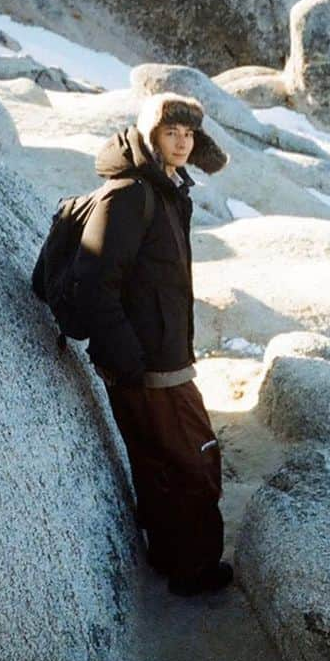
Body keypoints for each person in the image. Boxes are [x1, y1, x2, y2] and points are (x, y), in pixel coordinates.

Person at [71, 92, 232, 597]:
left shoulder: (168, 190)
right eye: (171, 132)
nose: (182, 142)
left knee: (163, 463)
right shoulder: (131, 196)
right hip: (149, 364)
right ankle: (196, 570)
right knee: (194, 460)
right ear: (149, 135)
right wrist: (130, 357)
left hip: (161, 357)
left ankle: (172, 557)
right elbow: (96, 280)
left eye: (189, 134)